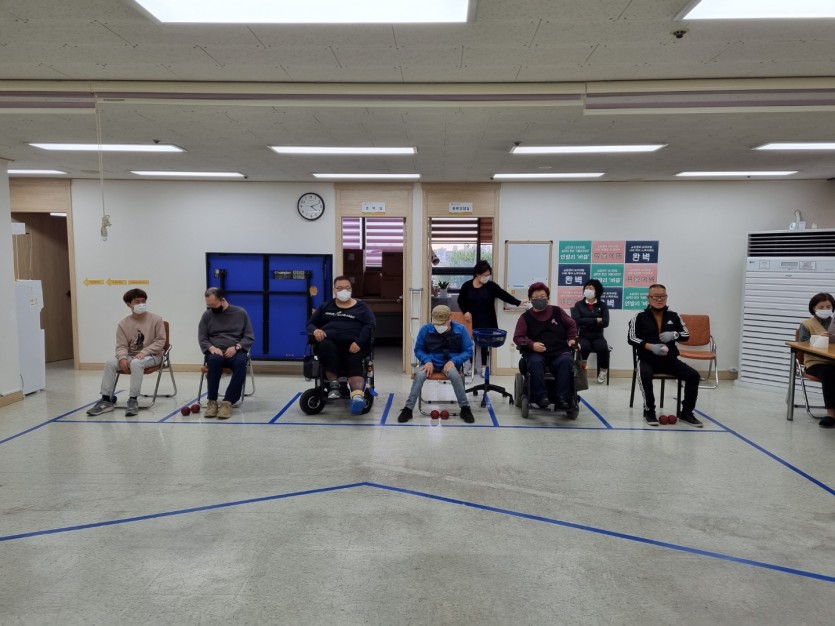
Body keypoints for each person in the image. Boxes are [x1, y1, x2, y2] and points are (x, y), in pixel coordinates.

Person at [627, 283, 701, 427]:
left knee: (693, 376)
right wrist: (650, 347)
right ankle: (649, 411)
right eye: (656, 296)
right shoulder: (639, 317)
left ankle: (686, 413)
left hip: (669, 360)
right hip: (646, 359)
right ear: (648, 298)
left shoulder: (674, 315)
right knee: (644, 375)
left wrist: (674, 334)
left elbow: (686, 335)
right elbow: (631, 338)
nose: (659, 299)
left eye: (663, 296)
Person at [86, 288, 166, 417]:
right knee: (110, 363)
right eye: (137, 302)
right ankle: (106, 400)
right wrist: (122, 358)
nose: (141, 304)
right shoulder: (123, 323)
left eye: (143, 301)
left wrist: (145, 352)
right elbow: (121, 346)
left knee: (136, 363)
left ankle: (133, 400)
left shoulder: (156, 319)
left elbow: (160, 341)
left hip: (152, 355)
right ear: (129, 304)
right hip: (131, 355)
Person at [307, 275, 376, 415]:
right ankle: (334, 386)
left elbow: (370, 325)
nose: (344, 290)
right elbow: (310, 323)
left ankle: (357, 396)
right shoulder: (326, 306)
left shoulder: (361, 307)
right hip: (330, 344)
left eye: (347, 288)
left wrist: (359, 342)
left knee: (354, 361)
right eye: (340, 288)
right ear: (334, 290)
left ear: (351, 289)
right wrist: (316, 330)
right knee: (325, 347)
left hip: (354, 345)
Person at [397, 305, 475, 424]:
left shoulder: (461, 329)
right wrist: (427, 360)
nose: (439, 326)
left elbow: (468, 350)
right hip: (430, 363)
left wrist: (454, 361)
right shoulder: (425, 329)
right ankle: (408, 409)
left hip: (450, 363)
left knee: (455, 375)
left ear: (449, 319)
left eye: (442, 323)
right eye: (436, 323)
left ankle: (465, 408)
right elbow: (418, 350)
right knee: (419, 376)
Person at [513, 282, 578, 410]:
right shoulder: (525, 317)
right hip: (536, 353)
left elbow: (571, 324)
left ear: (548, 297)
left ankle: (562, 398)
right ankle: (540, 396)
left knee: (566, 361)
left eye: (542, 297)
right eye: (536, 297)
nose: (539, 299)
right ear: (530, 299)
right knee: (535, 362)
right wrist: (532, 345)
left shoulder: (558, 311)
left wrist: (572, 339)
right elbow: (518, 337)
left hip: (559, 352)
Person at [457, 260, 524, 377]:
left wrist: (518, 302)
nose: (487, 277)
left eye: (488, 275)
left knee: (484, 343)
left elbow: (503, 295)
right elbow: (460, 300)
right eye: (485, 275)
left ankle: (483, 367)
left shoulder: (491, 286)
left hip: (486, 319)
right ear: (477, 274)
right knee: (470, 343)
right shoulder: (467, 286)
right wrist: (465, 311)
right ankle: (470, 366)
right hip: (471, 320)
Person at [198, 287, 255, 419]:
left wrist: (236, 347)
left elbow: (249, 336)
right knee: (214, 361)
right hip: (216, 351)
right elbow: (202, 337)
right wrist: (211, 348)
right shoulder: (207, 315)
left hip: (236, 351)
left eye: (213, 305)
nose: (211, 308)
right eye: (208, 305)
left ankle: (228, 402)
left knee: (241, 363)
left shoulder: (240, 313)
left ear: (222, 300)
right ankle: (212, 401)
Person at [797, 292, 835, 428]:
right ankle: (831, 414)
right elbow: (802, 344)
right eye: (821, 307)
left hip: (833, 360)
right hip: (815, 363)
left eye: (828, 307)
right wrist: (819, 339)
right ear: (814, 308)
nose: (825, 309)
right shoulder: (806, 324)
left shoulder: (833, 323)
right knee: (829, 372)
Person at [571, 279, 610, 384]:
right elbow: (576, 320)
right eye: (586, 288)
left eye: (591, 288)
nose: (588, 290)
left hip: (598, 336)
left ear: (597, 291)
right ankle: (581, 372)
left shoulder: (602, 305)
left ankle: (603, 370)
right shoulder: (579, 304)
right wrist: (595, 319)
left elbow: (606, 322)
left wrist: (586, 320)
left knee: (603, 348)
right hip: (583, 335)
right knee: (584, 348)